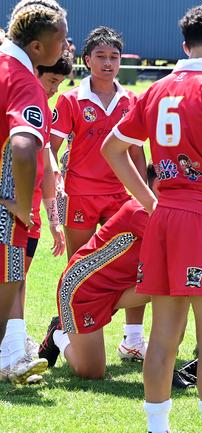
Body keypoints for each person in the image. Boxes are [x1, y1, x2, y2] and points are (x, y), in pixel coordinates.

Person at [101, 4, 202, 433]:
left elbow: (112, 149)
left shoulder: (157, 87)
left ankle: (157, 429)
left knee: (164, 336)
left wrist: (150, 201)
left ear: (184, 45)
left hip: (165, 218)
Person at [50, 26, 148, 362]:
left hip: (122, 196)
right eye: (101, 56)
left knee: (138, 264)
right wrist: (57, 180)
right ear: (87, 59)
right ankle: (71, 332)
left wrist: (144, 193)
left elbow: (135, 151)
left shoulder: (131, 100)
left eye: (114, 57)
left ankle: (133, 339)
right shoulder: (71, 99)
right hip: (80, 195)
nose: (108, 63)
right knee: (80, 268)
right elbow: (52, 146)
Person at [0, 0, 68, 385]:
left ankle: (12, 354)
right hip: (3, 214)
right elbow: (25, 147)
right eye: (60, 38)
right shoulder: (23, 81)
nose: (65, 44)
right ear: (38, 47)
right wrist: (22, 206)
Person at [38, 165, 157, 379]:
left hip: (115, 291)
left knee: (170, 286)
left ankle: (156, 357)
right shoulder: (142, 211)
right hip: (82, 289)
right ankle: (58, 333)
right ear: (158, 185)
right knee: (92, 372)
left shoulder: (167, 213)